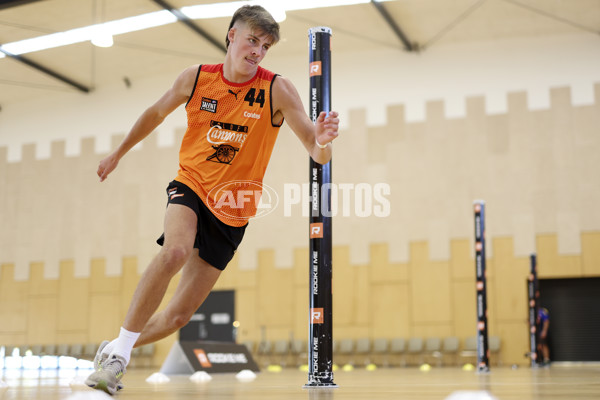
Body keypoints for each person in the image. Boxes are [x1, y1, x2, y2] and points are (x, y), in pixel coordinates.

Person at [85, 5, 339, 395]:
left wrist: (323, 140)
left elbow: (316, 151)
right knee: (175, 252)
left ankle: (115, 347)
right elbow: (155, 112)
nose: (257, 50)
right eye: (252, 40)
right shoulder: (197, 79)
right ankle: (119, 359)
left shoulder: (277, 89)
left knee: (177, 317)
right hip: (192, 186)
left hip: (234, 212)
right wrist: (118, 153)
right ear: (231, 36)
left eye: (265, 45)